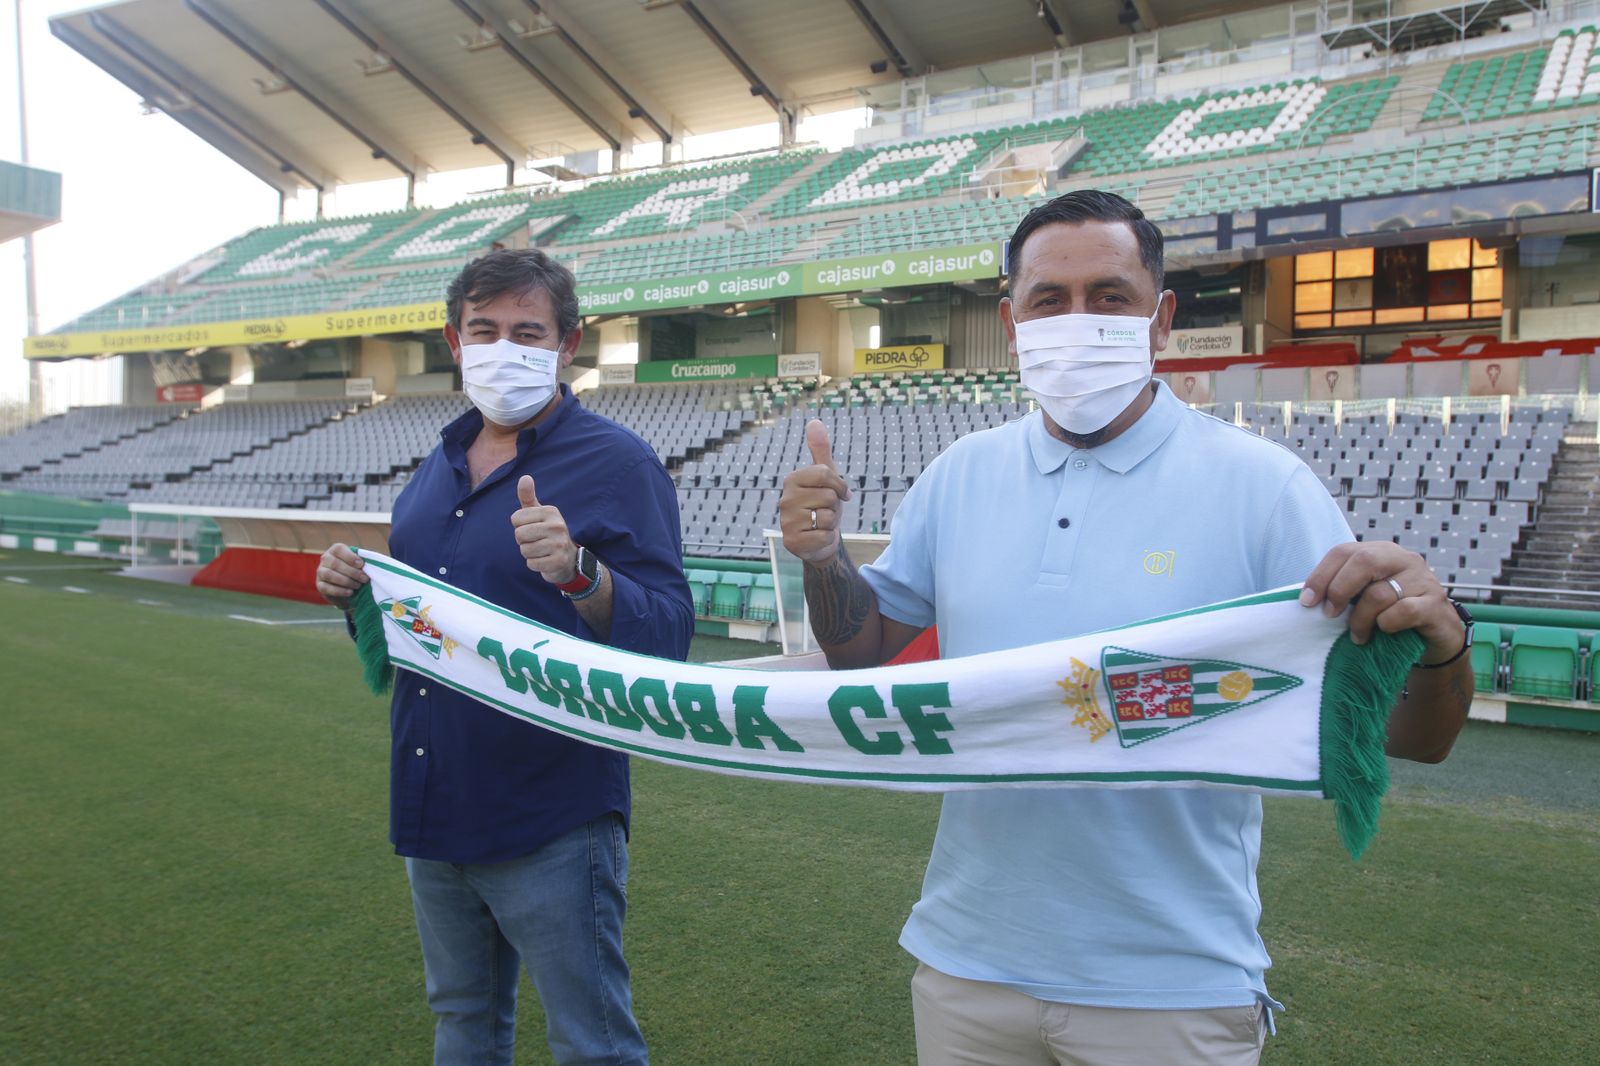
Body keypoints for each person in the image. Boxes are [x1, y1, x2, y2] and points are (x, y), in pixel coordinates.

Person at [778, 190, 1473, 1066]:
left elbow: (1413, 737)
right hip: (966, 964)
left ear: (1161, 318)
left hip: (1172, 986)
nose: (1077, 321)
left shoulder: (1265, 488)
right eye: (1048, 300)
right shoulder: (961, 474)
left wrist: (1441, 642)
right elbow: (865, 653)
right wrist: (823, 560)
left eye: (1109, 296)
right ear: (1012, 323)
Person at [316, 248, 693, 1066]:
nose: (502, 347)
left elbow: (669, 636)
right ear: (455, 341)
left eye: (527, 332)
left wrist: (581, 574)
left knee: (592, 1044)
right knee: (463, 1023)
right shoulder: (436, 467)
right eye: (484, 330)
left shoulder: (618, 464)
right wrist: (357, 598)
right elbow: (419, 637)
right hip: (433, 795)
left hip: (550, 809)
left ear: (567, 345)